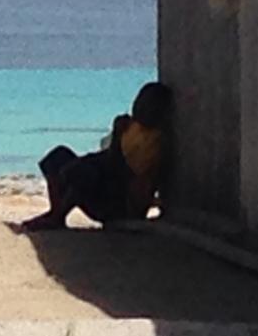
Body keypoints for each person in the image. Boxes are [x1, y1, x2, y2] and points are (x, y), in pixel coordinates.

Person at [19, 82, 173, 232]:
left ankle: (57, 217)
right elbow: (106, 155)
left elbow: (118, 171)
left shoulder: (154, 142)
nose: (138, 107)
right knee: (57, 156)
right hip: (107, 186)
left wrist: (117, 137)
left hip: (120, 205)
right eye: (138, 102)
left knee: (83, 172)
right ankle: (56, 211)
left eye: (146, 105)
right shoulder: (133, 127)